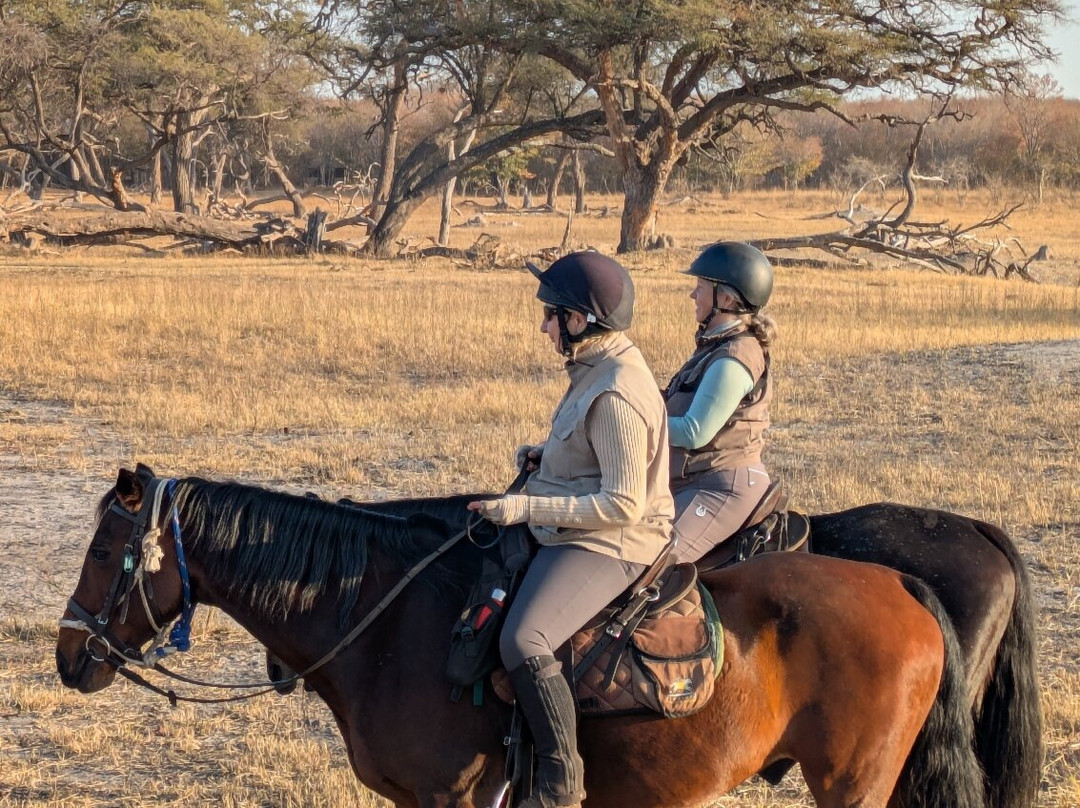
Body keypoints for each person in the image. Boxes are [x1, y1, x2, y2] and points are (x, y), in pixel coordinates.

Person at [468, 251, 674, 808]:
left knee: (524, 638)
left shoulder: (615, 392)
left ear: (579, 320)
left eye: (551, 314)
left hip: (615, 541)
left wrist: (524, 510)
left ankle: (561, 785)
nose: (543, 327)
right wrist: (547, 460)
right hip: (581, 527)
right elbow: (593, 462)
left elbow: (624, 503)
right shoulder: (597, 366)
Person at [662, 241, 776, 564]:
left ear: (725, 299)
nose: (692, 295)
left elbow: (695, 431)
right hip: (693, 481)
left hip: (720, 488)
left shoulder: (735, 356)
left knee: (651, 561)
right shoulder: (716, 345)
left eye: (700, 287)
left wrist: (635, 425)